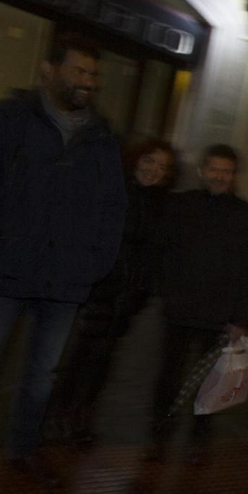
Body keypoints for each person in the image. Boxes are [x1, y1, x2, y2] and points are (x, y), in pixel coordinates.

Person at [0, 32, 127, 487]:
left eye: (93, 75)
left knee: (42, 374)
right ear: (49, 71)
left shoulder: (102, 138)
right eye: (79, 71)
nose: (87, 81)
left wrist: (94, 263)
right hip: (2, 270)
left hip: (65, 280)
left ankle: (23, 450)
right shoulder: (6, 119)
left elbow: (113, 207)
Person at [50, 139, 176, 445]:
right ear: (136, 159)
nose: (154, 171)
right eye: (149, 161)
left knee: (103, 359)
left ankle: (82, 414)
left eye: (162, 167)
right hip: (100, 287)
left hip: (129, 294)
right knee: (83, 355)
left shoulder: (162, 204)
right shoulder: (115, 191)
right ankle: (63, 414)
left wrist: (143, 290)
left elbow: (157, 252)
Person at [146, 144, 248, 465]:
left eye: (226, 171)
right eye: (214, 169)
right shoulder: (180, 205)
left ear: (234, 176)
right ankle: (159, 437)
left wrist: (242, 318)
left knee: (211, 384)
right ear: (202, 171)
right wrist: (166, 292)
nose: (220, 176)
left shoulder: (247, 216)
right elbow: (162, 251)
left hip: (221, 316)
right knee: (168, 377)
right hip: (180, 310)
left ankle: (199, 441)